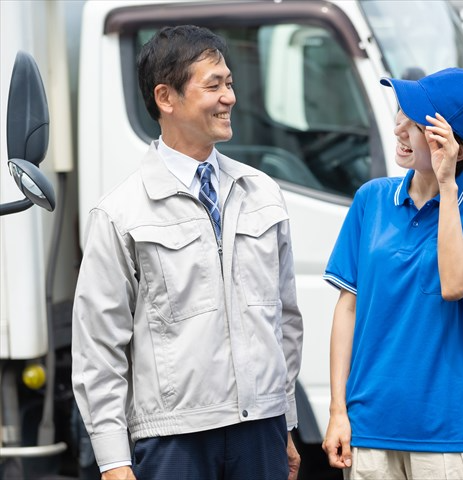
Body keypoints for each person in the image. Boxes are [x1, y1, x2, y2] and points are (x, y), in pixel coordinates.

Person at [72, 25, 303, 480]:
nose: (229, 97)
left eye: (230, 83)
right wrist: (114, 462)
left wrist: (286, 420)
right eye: (213, 85)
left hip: (261, 431)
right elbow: (99, 346)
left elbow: (284, 319)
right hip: (174, 438)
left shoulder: (261, 193)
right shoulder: (121, 212)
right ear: (166, 97)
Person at [321, 67, 463, 480]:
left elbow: (454, 283)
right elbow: (347, 309)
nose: (399, 128)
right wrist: (338, 410)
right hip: (370, 430)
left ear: (458, 148)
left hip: (450, 436)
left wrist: (446, 185)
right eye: (402, 115)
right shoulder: (371, 200)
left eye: (417, 123)